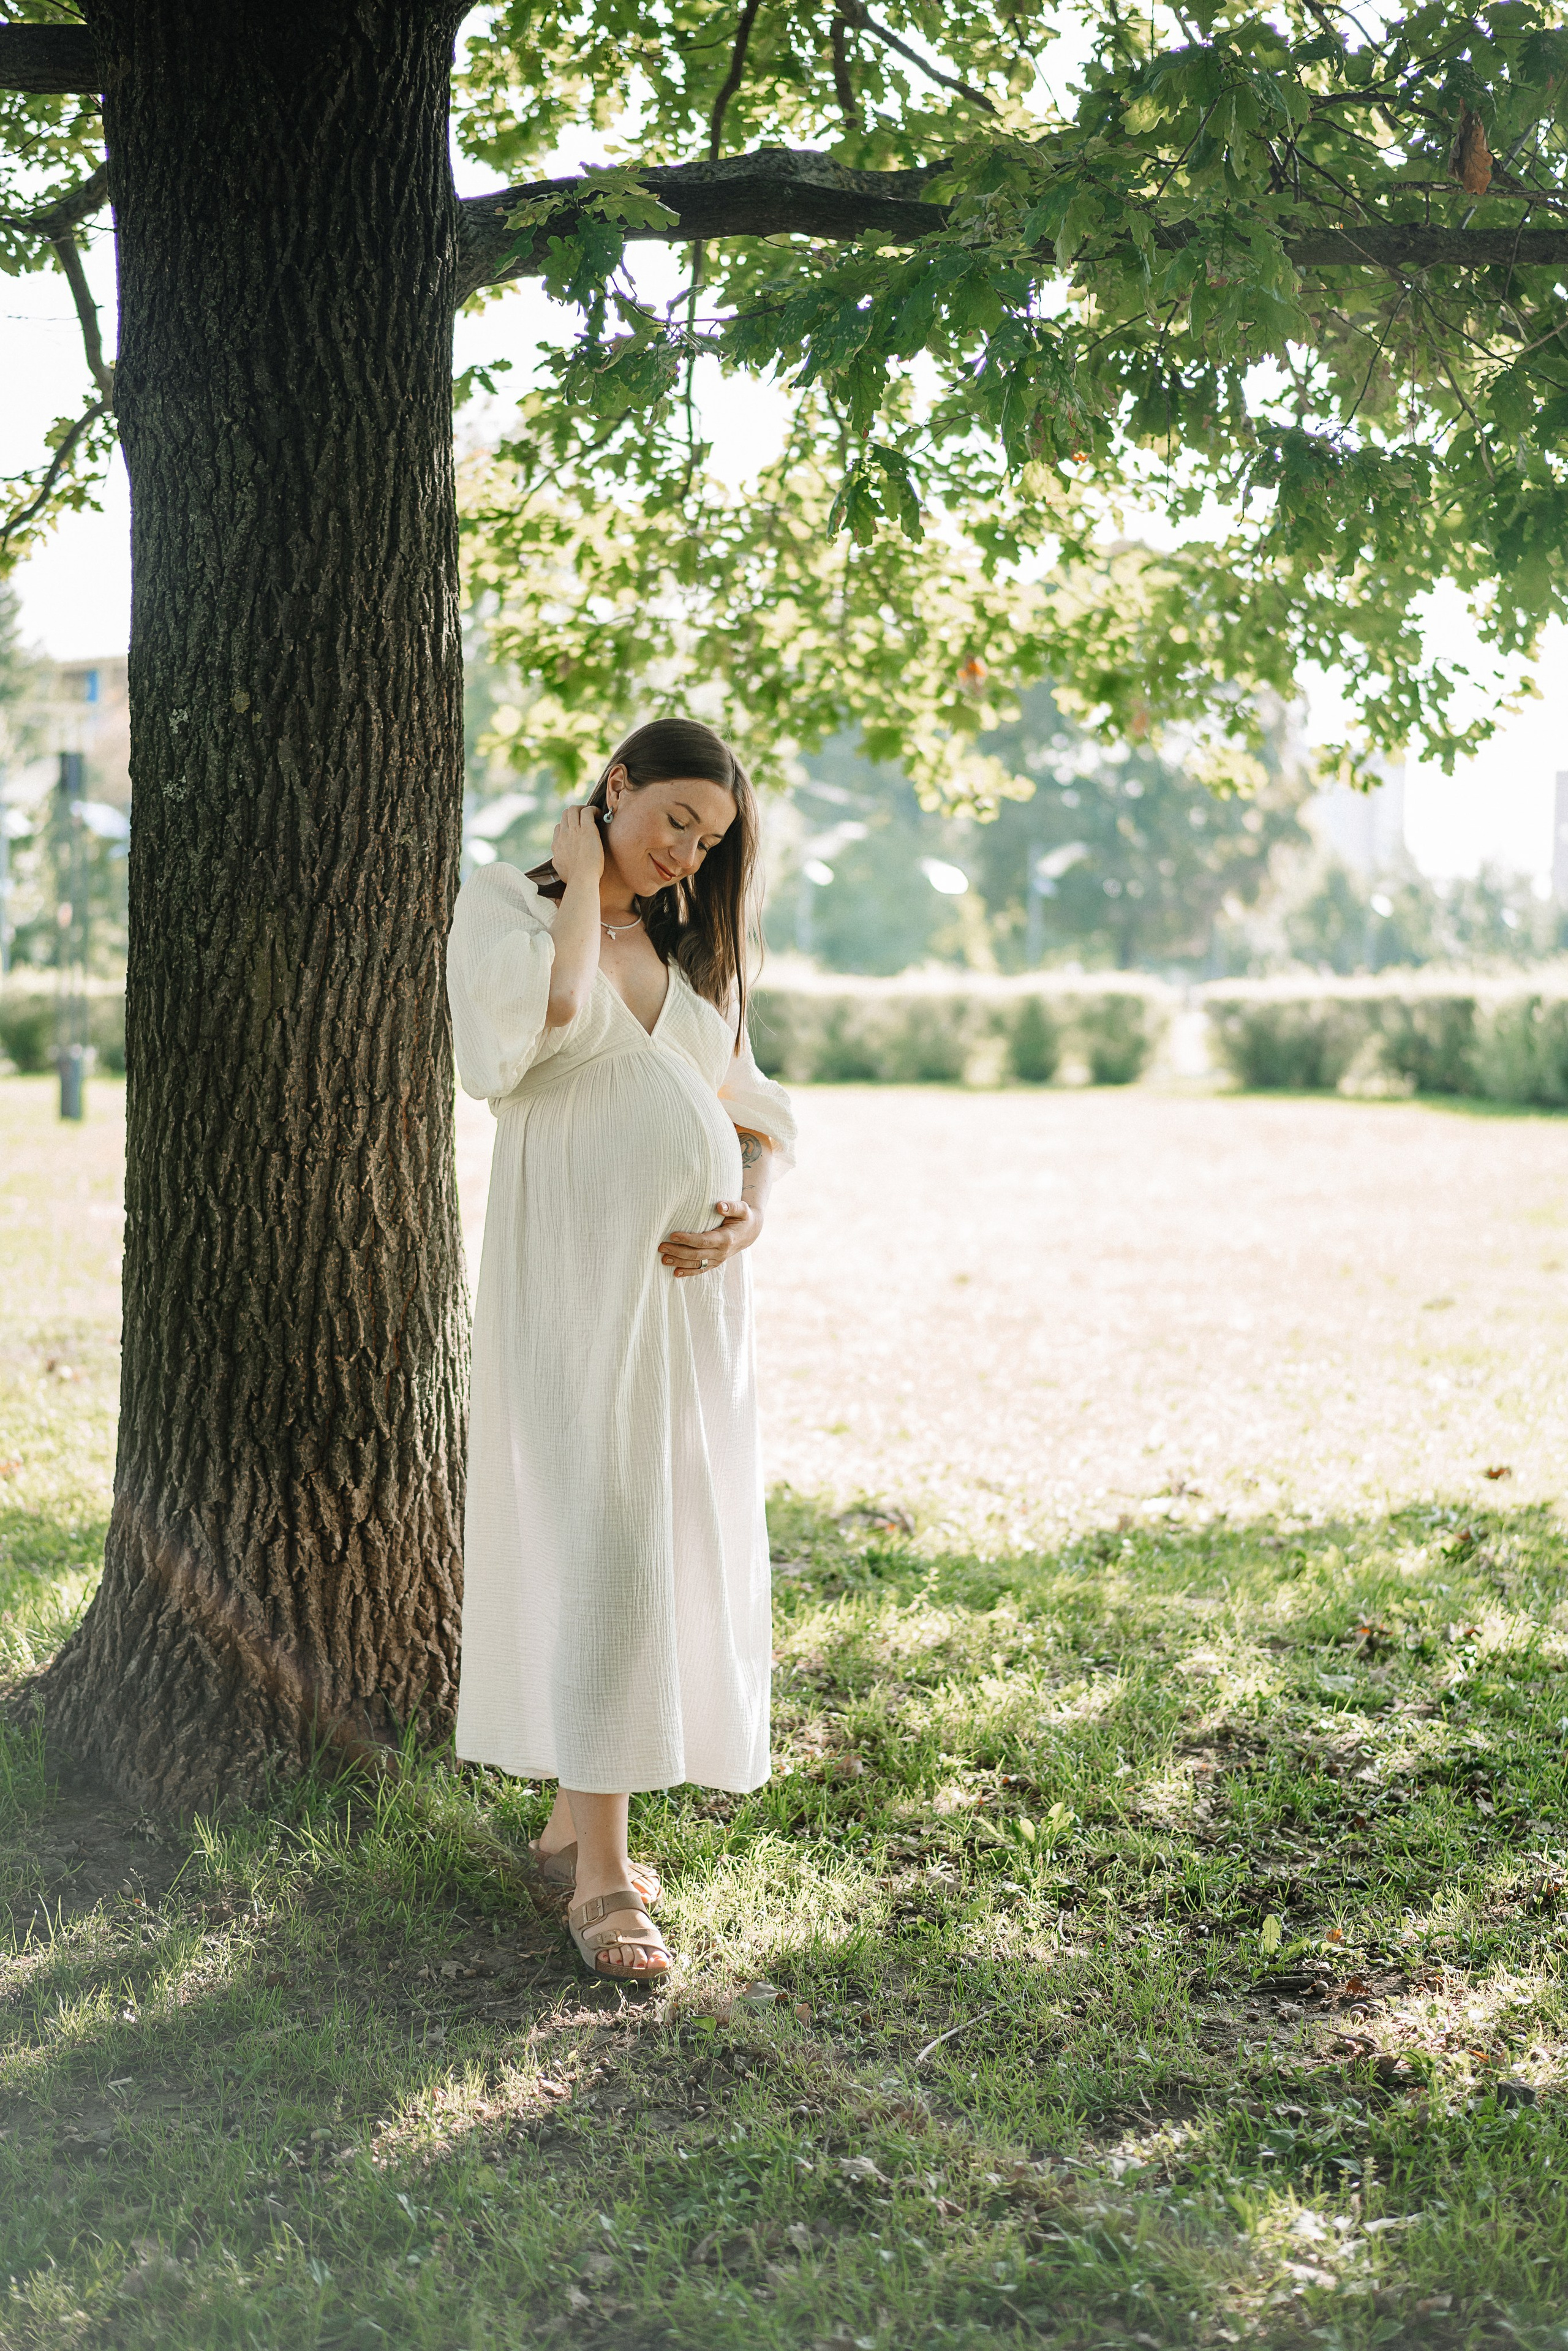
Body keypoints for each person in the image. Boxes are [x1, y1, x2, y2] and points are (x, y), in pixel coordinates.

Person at [445, 718, 796, 1981]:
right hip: (574, 1279)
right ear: (616, 787)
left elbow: (752, 1112)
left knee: (661, 1536)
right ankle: (601, 1881)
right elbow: (519, 1038)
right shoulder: (504, 905)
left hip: (690, 1306)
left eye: (707, 839)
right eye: (673, 822)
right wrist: (582, 887)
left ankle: (564, 1829)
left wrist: (749, 1207)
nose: (685, 852)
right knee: (605, 1540)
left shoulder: (694, 952)